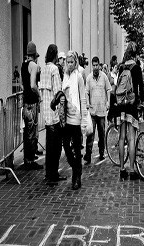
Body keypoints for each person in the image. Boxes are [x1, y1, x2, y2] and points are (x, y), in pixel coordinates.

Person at [39, 44, 66, 185]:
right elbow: (58, 92)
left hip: (46, 113)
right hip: (54, 113)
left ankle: (48, 173)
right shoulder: (55, 69)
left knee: (49, 146)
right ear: (55, 55)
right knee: (56, 146)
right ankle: (53, 173)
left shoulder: (43, 69)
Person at [118, 41, 144, 180]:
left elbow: (118, 87)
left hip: (121, 105)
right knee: (132, 137)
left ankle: (122, 169)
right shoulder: (136, 68)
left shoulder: (121, 67)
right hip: (132, 105)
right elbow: (141, 88)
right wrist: (141, 103)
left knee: (122, 138)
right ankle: (132, 170)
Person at [62, 51, 87, 189]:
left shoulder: (79, 77)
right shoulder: (65, 76)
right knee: (66, 147)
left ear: (75, 62)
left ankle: (76, 176)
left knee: (77, 149)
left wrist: (83, 120)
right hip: (66, 118)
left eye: (72, 62)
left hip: (76, 118)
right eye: (68, 62)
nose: (70, 64)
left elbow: (83, 98)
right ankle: (77, 169)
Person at [84, 56, 112, 165]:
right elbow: (86, 91)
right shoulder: (89, 78)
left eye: (97, 65)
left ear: (99, 65)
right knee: (90, 134)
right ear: (92, 65)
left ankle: (101, 152)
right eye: (93, 65)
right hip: (92, 110)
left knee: (101, 133)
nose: (95, 67)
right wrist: (87, 102)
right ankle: (88, 154)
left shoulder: (104, 77)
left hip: (101, 110)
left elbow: (108, 89)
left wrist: (108, 101)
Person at [21, 41, 43, 170]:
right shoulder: (33, 65)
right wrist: (39, 95)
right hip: (32, 102)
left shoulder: (23, 65)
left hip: (25, 102)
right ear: (35, 54)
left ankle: (27, 159)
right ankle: (30, 161)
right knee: (32, 132)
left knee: (27, 132)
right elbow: (33, 85)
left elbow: (24, 85)